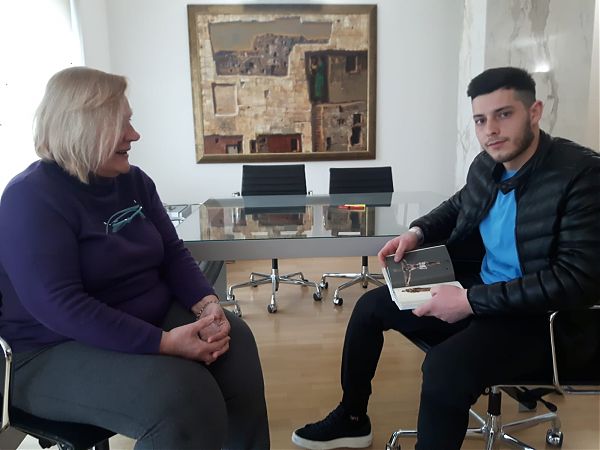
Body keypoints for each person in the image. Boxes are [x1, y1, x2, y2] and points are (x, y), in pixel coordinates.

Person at [292, 66, 600, 450]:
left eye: (504, 114)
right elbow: (458, 205)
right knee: (370, 308)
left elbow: (577, 280)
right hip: (481, 292)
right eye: (480, 120)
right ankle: (353, 417)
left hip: (540, 322)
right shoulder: (488, 164)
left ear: (534, 112)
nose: (490, 130)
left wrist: (468, 301)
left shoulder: (581, 175)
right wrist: (416, 232)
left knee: (444, 368)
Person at [0, 66, 270, 449]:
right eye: (121, 124)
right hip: (49, 349)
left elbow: (172, 252)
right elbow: (60, 306)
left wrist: (207, 304)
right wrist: (163, 342)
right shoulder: (29, 198)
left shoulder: (134, 181)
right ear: (81, 128)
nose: (134, 134)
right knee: (183, 397)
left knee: (235, 342)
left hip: (141, 316)